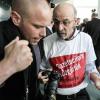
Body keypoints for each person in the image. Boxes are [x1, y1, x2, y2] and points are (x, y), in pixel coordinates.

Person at [39, 2, 100, 100]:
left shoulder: (86, 39)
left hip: (80, 95)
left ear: (75, 22)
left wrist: (96, 79)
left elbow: (90, 67)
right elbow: (42, 69)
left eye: (66, 22)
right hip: (56, 96)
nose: (59, 28)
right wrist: (42, 76)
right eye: (56, 21)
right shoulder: (46, 42)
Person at [0, 0, 52, 100]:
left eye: (46, 26)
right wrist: (6, 66)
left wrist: (37, 74)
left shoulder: (41, 34)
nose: (44, 33)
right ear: (16, 18)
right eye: (37, 26)